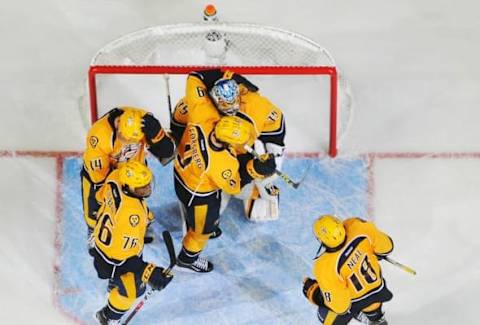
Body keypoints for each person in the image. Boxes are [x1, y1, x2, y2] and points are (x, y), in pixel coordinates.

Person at [170, 69, 286, 224]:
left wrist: (268, 163)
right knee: (208, 215)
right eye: (225, 106)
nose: (232, 110)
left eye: (234, 102)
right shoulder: (194, 106)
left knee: (263, 173)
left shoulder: (256, 106)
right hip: (216, 159)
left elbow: (276, 129)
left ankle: (257, 190)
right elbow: (178, 130)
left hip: (244, 156)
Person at [174, 115, 276, 272]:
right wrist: (256, 169)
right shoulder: (222, 164)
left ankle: (196, 223)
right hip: (199, 196)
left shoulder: (202, 119)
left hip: (182, 174)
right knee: (203, 231)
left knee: (205, 218)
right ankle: (187, 259)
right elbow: (235, 187)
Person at [91, 161, 173, 324]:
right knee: (132, 291)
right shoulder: (131, 216)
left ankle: (114, 285)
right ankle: (107, 317)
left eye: (147, 184)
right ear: (128, 187)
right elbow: (123, 259)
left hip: (104, 240)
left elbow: (100, 197)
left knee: (127, 282)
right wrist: (149, 271)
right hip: (113, 259)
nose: (148, 189)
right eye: (141, 187)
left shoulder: (115, 178)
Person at [82, 106, 175, 235]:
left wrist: (157, 134)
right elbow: (99, 177)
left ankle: (135, 225)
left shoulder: (146, 123)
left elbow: (167, 152)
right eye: (124, 138)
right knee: (96, 207)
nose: (126, 143)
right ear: (119, 123)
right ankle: (94, 231)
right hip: (106, 173)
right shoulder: (98, 135)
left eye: (132, 141)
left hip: (133, 172)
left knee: (135, 204)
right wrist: (115, 190)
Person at [302, 215, 394, 325]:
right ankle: (376, 318)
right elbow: (387, 247)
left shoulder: (323, 266)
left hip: (358, 302)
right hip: (379, 290)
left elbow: (340, 307)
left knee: (323, 315)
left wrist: (315, 292)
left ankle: (364, 316)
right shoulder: (357, 226)